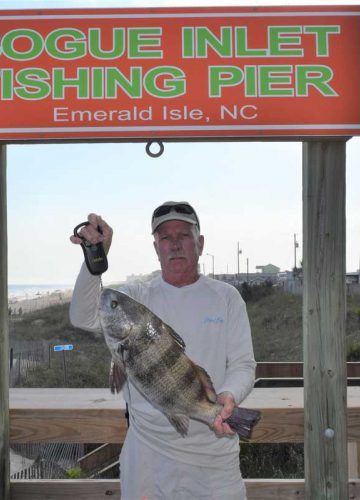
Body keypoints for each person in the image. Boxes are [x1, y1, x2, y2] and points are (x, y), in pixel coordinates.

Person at [69, 201, 256, 500]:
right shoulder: (138, 297)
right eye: (165, 238)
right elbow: (82, 316)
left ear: (200, 242)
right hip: (147, 456)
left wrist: (230, 395)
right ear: (156, 248)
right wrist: (95, 260)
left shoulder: (226, 297)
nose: (175, 244)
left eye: (183, 235)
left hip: (215, 455)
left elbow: (244, 365)